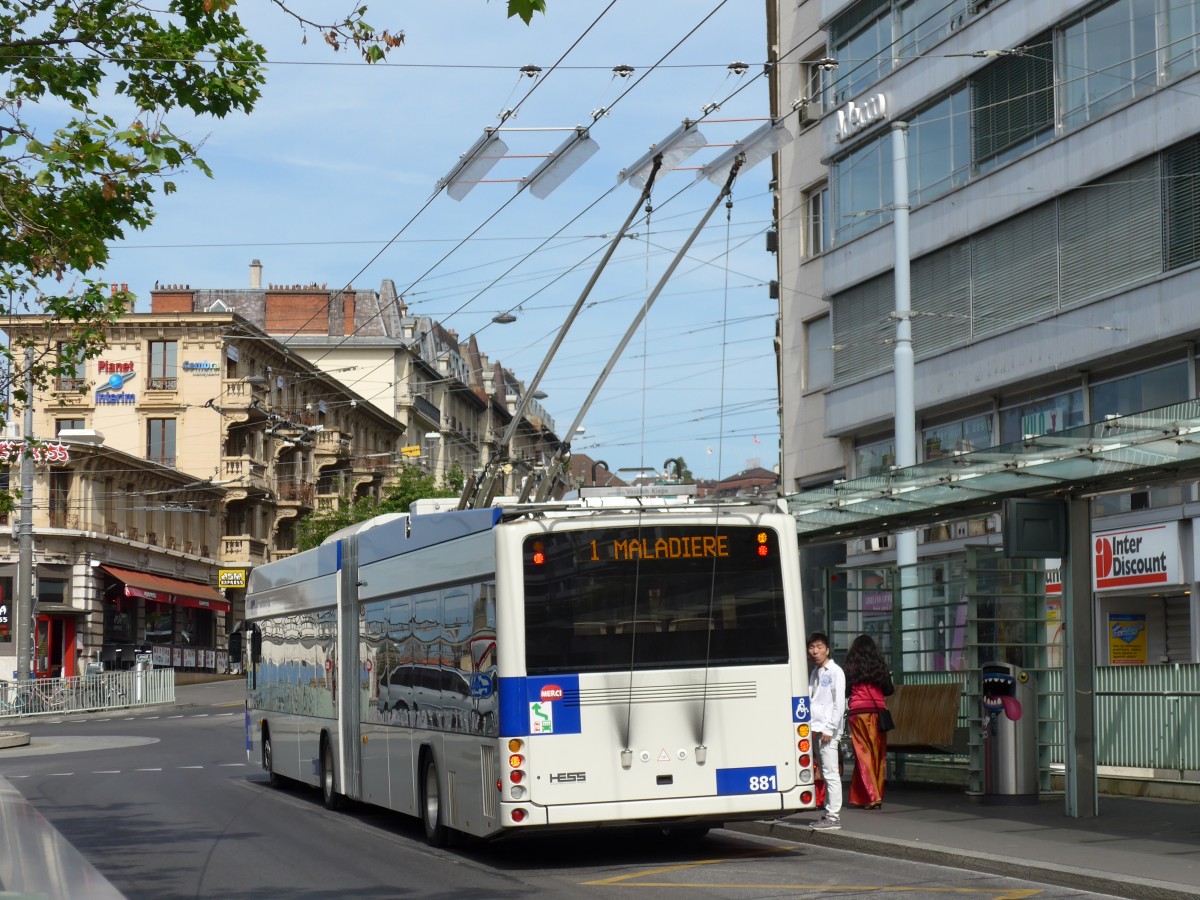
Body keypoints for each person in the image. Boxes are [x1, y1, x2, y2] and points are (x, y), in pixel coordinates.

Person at [844, 633, 894, 809]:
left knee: (862, 754)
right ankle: (871, 794)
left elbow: (846, 691)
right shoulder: (879, 666)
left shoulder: (851, 667)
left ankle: (872, 796)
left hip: (858, 714)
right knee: (877, 756)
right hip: (878, 714)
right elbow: (889, 690)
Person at [807, 631, 846, 831]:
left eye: (820, 647)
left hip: (827, 730)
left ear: (827, 649)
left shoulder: (835, 671)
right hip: (816, 728)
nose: (816, 651)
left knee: (831, 774)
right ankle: (829, 813)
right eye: (812, 647)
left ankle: (833, 816)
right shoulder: (815, 672)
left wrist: (830, 728)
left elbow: (839, 703)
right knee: (825, 771)